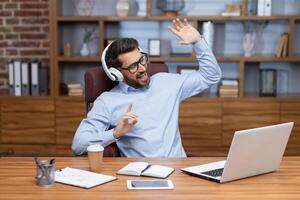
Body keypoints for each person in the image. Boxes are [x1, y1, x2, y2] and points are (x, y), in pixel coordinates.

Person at [72, 18, 222, 157]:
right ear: (116, 73)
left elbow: (211, 76)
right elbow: (78, 145)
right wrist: (115, 133)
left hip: (179, 170)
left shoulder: (167, 82)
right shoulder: (108, 101)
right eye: (133, 66)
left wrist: (198, 42)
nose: (142, 68)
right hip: (143, 175)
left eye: (142, 60)